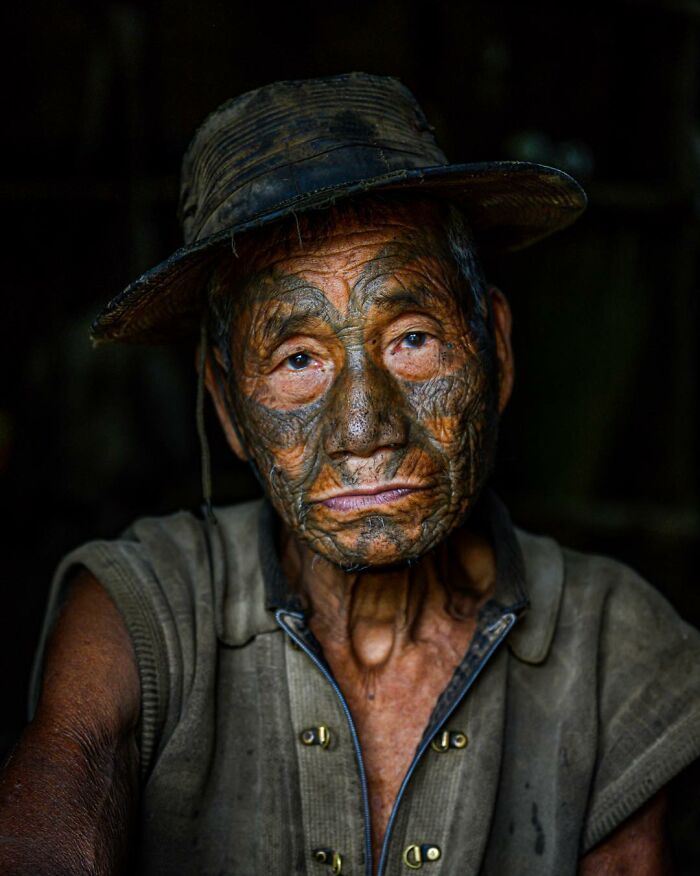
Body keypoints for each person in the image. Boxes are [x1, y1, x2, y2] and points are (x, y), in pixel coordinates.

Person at [0, 73, 698, 876]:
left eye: (411, 339)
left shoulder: (617, 643)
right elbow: (58, 801)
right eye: (299, 360)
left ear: (496, 351)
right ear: (227, 404)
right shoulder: (143, 609)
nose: (364, 428)